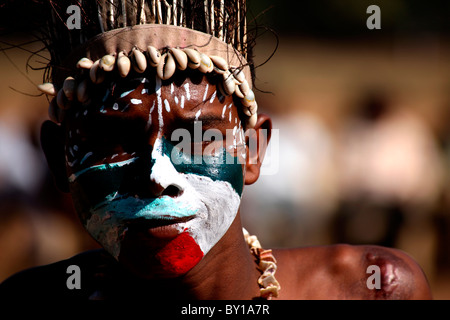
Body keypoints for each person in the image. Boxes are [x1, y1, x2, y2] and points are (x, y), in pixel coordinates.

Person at [0, 0, 432, 300]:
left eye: (199, 136)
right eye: (114, 141)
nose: (158, 176)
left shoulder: (371, 290)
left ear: (254, 150)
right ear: (60, 159)